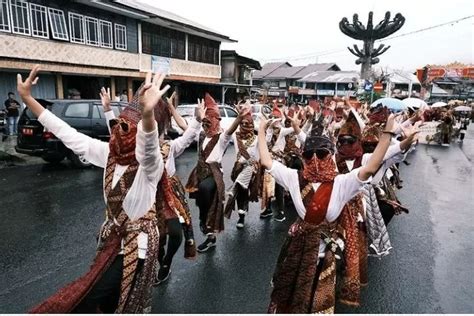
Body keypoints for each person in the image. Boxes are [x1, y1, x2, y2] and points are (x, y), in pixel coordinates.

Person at [23, 65, 170, 313]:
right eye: (121, 122)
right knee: (106, 304)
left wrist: (147, 117)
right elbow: (67, 133)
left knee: (88, 302)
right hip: (114, 241)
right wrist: (28, 99)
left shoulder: (150, 167)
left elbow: (148, 149)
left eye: (128, 126)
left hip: (138, 248)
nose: (121, 129)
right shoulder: (109, 155)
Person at [259, 107, 397, 313]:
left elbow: (370, 168)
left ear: (330, 155)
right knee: (291, 296)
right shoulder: (294, 177)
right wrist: (261, 130)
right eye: (308, 154)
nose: (315, 159)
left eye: (322, 154)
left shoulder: (342, 183)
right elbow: (267, 161)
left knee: (317, 302)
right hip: (299, 249)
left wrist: (387, 134)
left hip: (328, 254)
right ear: (303, 156)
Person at [185, 93, 250, 253]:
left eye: (210, 123)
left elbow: (230, 131)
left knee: (207, 193)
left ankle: (210, 234)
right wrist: (172, 109)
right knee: (201, 201)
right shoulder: (201, 135)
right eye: (205, 123)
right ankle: (207, 228)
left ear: (216, 122)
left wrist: (239, 119)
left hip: (214, 174)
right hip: (200, 172)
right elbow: (183, 127)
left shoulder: (221, 138)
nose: (207, 127)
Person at [225, 101, 260, 229]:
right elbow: (227, 132)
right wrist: (239, 116)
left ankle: (232, 190)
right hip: (237, 167)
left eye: (247, 123)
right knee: (241, 192)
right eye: (242, 123)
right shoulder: (236, 137)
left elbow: (264, 143)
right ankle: (242, 215)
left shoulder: (256, 139)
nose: (244, 125)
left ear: (252, 124)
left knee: (241, 185)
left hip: (250, 168)